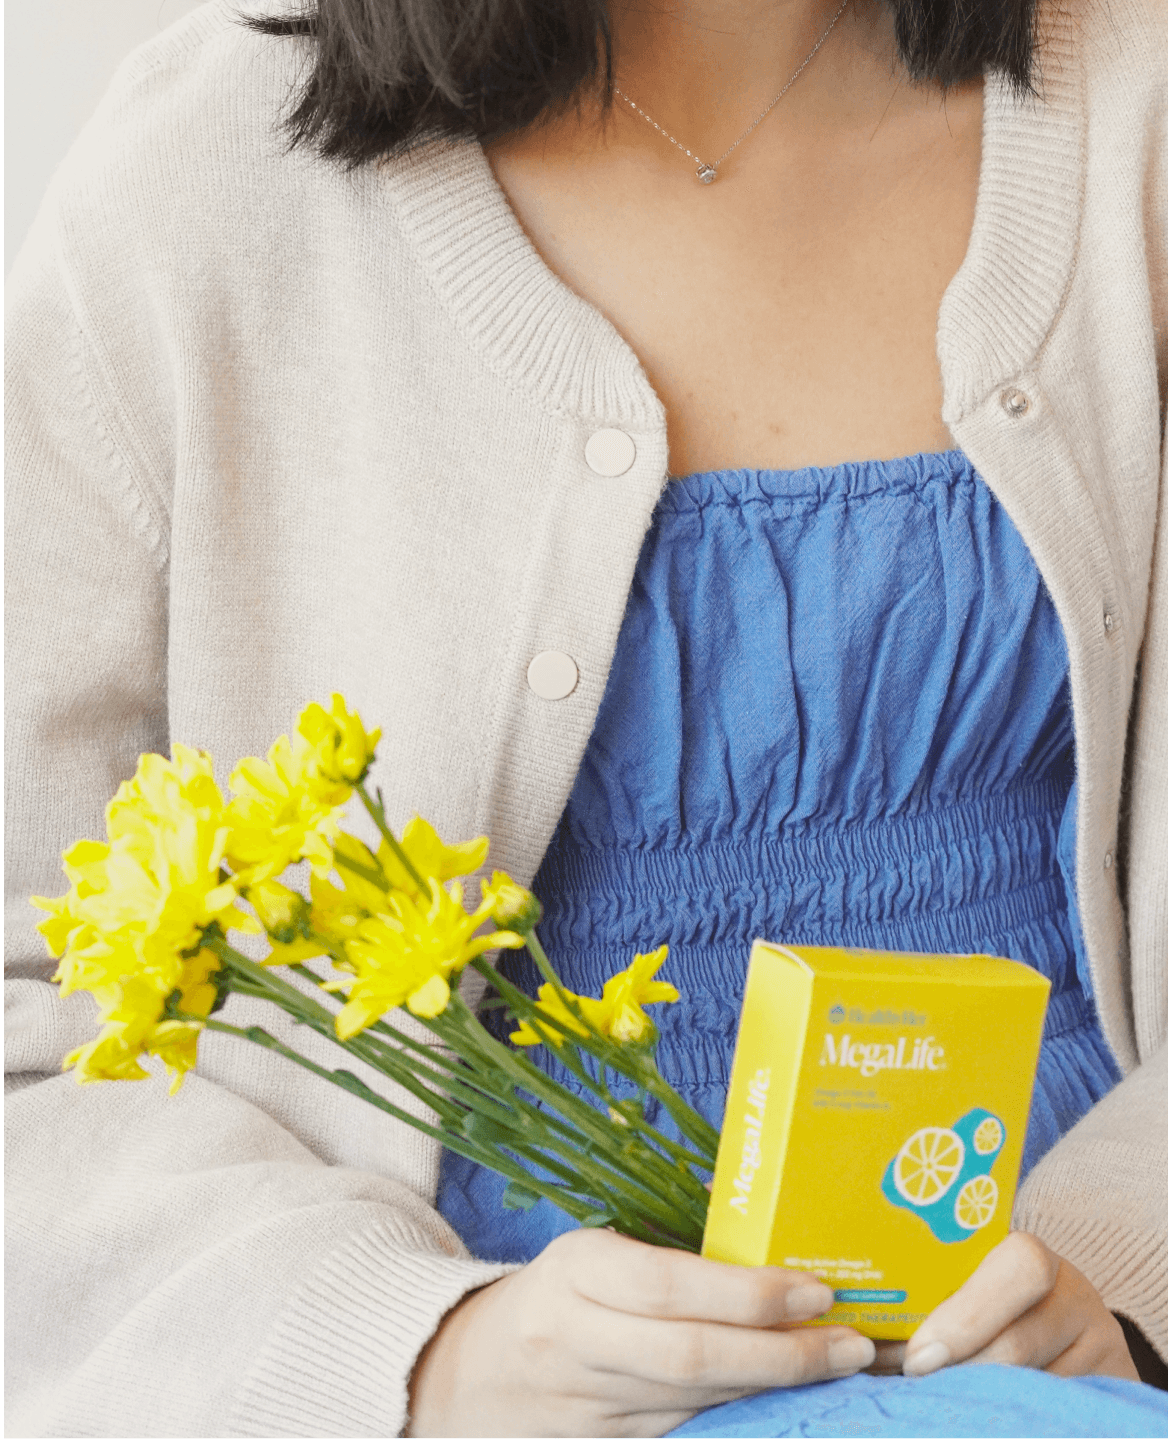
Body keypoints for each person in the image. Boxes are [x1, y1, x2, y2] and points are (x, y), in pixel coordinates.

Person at [4, 0, 1167, 1434]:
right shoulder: (195, 184)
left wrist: (1127, 1290)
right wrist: (412, 1350)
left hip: (1068, 1371)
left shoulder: (1135, 102)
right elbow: (23, 1020)